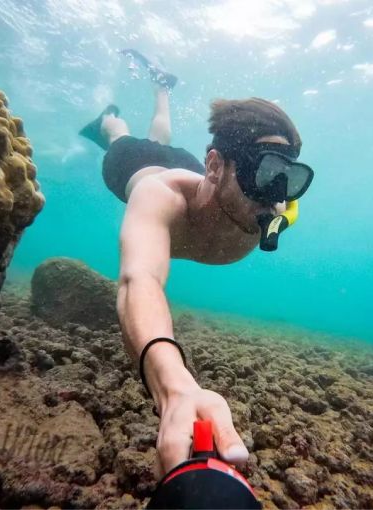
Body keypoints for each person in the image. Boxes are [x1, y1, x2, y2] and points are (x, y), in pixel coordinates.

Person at [79, 50, 314, 480]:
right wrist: (174, 386)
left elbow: (278, 202)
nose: (277, 200)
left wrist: (271, 193)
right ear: (215, 166)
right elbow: (140, 280)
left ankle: (162, 89)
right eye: (265, 176)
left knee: (166, 141)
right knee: (125, 140)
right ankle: (110, 120)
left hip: (190, 164)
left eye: (289, 181)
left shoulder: (269, 205)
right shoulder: (159, 197)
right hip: (133, 165)